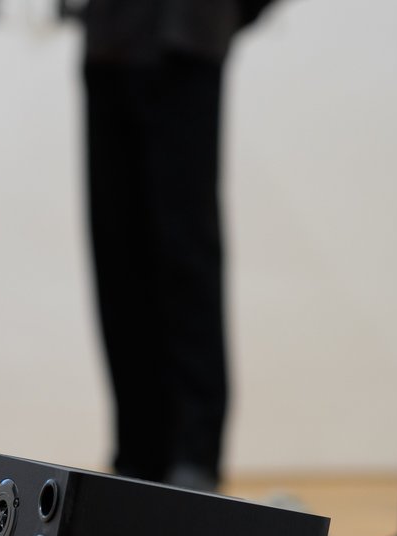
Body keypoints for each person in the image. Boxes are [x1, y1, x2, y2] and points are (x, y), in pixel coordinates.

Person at [82, 0, 276, 492]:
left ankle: (195, 456)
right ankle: (136, 455)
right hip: (109, 40)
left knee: (186, 254)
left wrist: (224, 14)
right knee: (117, 255)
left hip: (187, 37)